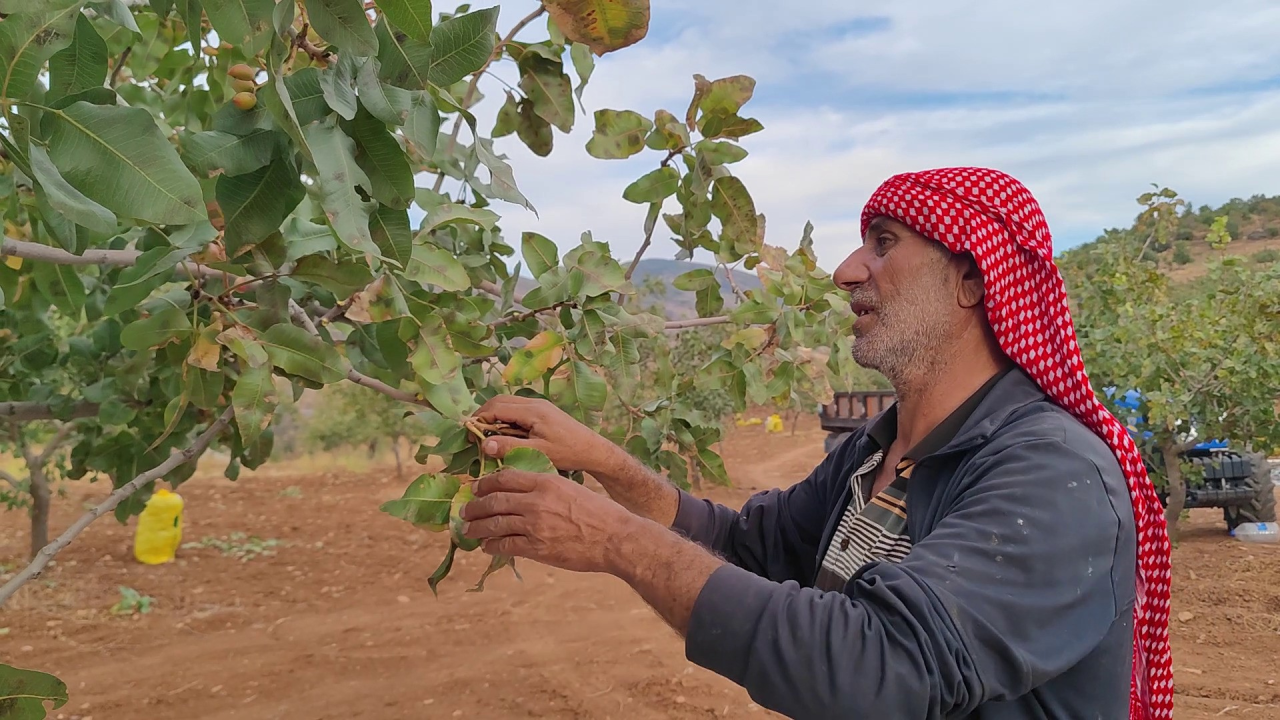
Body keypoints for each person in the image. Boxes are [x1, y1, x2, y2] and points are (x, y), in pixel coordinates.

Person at [457, 167, 1174, 719]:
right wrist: (605, 462)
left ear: (969, 279)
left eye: (884, 244)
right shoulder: (876, 450)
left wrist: (617, 541)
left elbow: (882, 669)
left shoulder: (1054, 475)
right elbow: (751, 550)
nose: (847, 271)